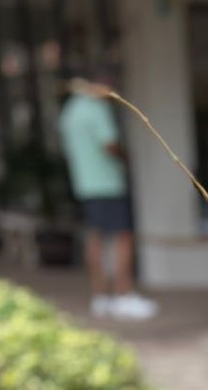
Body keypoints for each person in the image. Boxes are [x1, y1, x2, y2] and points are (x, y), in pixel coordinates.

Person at [57, 70, 156, 321]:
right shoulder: (96, 109)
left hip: (85, 184)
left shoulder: (70, 111)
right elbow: (109, 144)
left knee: (96, 238)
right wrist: (127, 157)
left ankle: (101, 297)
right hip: (107, 183)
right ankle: (123, 295)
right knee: (122, 237)